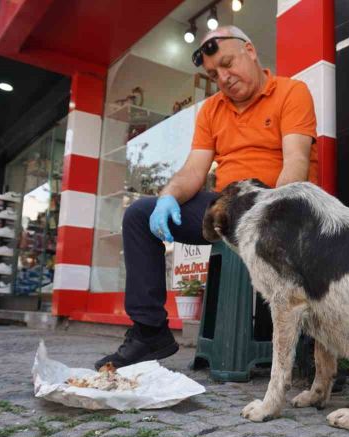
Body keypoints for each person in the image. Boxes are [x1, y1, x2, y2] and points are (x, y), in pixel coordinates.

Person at [95, 26, 320, 369]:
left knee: (291, 211)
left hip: (283, 202)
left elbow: (296, 164)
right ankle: (149, 331)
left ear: (250, 50)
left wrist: (269, 215)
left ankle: (306, 345)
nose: (224, 78)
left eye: (228, 64)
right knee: (140, 215)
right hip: (229, 206)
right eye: (214, 74)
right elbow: (193, 171)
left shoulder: (291, 91)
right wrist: (168, 196)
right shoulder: (212, 110)